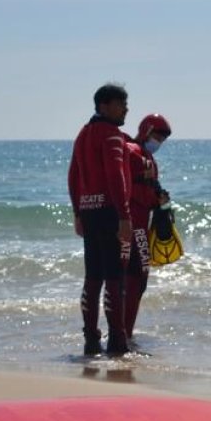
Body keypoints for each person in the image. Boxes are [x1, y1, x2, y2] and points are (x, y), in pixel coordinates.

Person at [67, 83, 133, 356]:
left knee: (92, 279)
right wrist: (125, 217)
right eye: (121, 104)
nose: (125, 109)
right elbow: (115, 177)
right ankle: (118, 343)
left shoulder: (83, 134)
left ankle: (91, 341)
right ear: (103, 106)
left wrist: (78, 213)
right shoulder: (112, 135)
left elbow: (73, 177)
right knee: (115, 278)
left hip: (90, 212)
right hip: (109, 213)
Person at [123, 113, 172, 350]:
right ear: (146, 130)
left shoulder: (148, 157)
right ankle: (122, 333)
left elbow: (149, 189)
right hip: (131, 224)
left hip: (142, 224)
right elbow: (128, 188)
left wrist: (162, 203)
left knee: (137, 281)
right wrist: (154, 199)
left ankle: (124, 332)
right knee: (134, 280)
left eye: (162, 138)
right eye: (157, 136)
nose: (159, 141)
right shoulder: (131, 152)